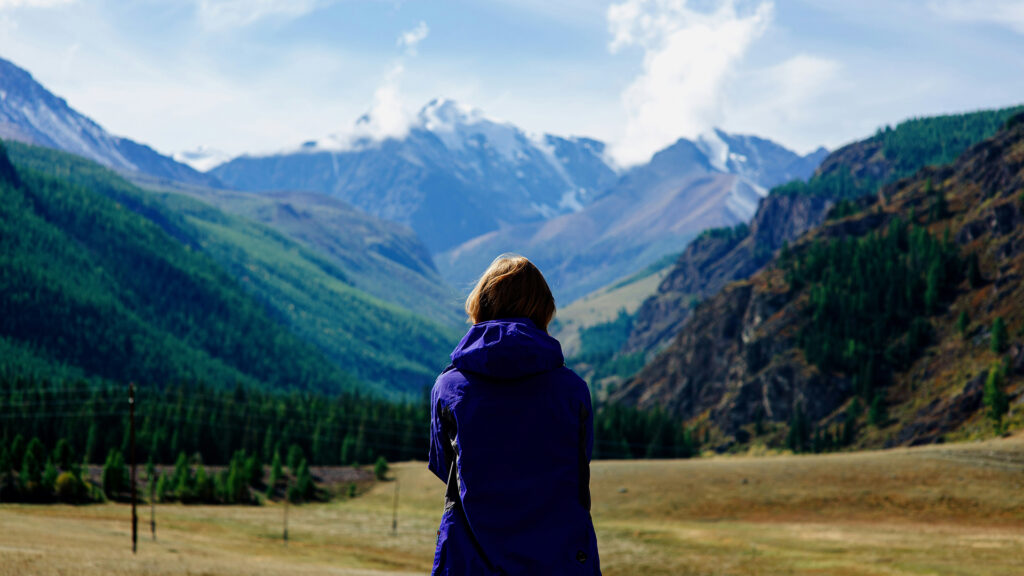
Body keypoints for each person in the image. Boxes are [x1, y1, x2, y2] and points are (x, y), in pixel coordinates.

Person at [428, 254, 600, 575]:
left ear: (480, 303)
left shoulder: (447, 387)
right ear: (542, 309)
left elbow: (444, 468)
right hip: (560, 561)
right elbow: (577, 469)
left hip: (469, 562)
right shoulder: (572, 390)